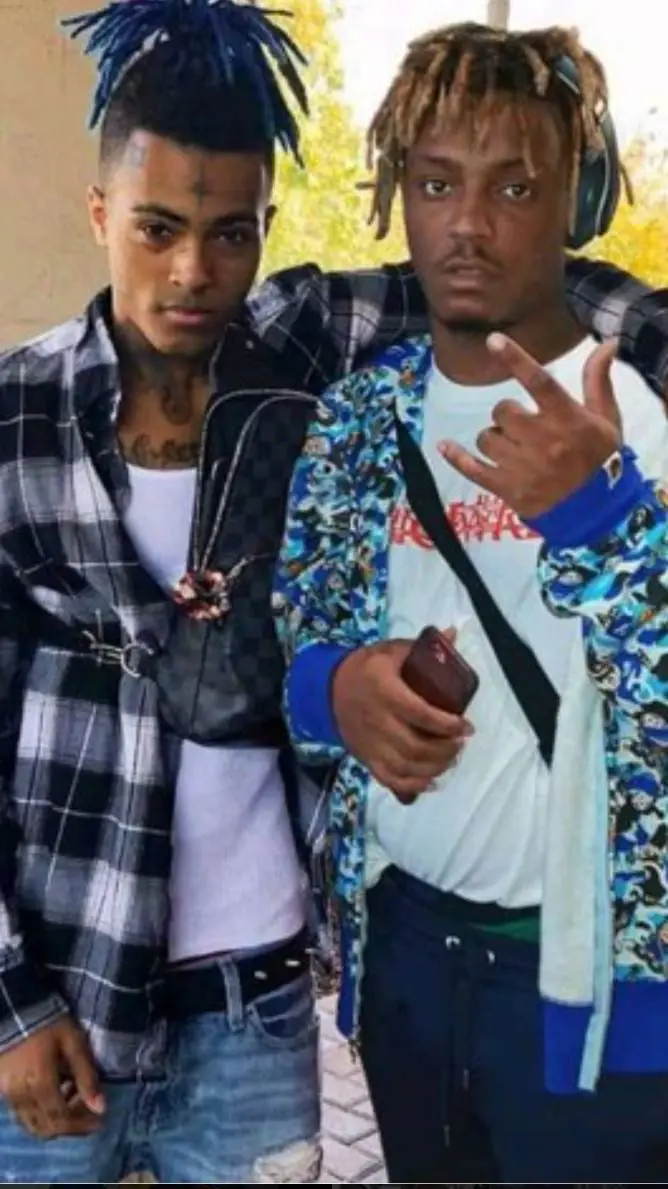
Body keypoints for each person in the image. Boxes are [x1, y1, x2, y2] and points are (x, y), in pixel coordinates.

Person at [274, 21, 668, 1185]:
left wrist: (600, 518)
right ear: (399, 193)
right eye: (437, 182)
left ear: (573, 201)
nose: (468, 223)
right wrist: (338, 689)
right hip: (403, 958)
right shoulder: (357, 419)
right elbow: (296, 639)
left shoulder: (636, 422)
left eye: (514, 187)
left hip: (583, 990)